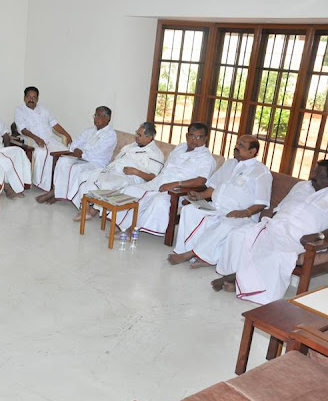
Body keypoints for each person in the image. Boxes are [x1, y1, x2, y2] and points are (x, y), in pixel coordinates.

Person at [212, 160, 328, 304]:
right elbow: (280, 208)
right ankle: (237, 276)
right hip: (275, 225)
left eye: (319, 173)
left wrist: (319, 236)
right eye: (314, 171)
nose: (313, 175)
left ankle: (243, 284)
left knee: (275, 253)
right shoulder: (302, 186)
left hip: (298, 237)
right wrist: (271, 222)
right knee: (240, 235)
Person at [168, 135, 272, 268]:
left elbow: (262, 202)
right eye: (237, 143)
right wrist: (200, 195)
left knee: (225, 225)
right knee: (189, 211)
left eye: (241, 145)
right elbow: (213, 186)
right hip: (216, 207)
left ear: (252, 151)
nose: (236, 147)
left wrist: (244, 212)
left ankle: (191, 254)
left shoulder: (261, 172)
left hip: (241, 215)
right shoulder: (229, 163)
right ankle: (186, 250)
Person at [114, 122, 217, 235]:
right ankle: (121, 225)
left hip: (179, 191)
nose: (194, 140)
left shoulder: (206, 158)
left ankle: (132, 230)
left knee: (158, 200)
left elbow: (201, 181)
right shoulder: (180, 147)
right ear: (187, 136)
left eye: (199, 137)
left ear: (205, 139)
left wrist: (175, 184)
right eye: (192, 136)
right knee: (131, 190)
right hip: (159, 181)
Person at [71, 122, 164, 221]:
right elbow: (118, 159)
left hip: (132, 177)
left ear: (149, 138)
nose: (136, 136)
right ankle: (86, 209)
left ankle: (93, 209)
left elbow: (153, 177)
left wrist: (135, 171)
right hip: (116, 171)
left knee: (106, 183)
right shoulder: (131, 146)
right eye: (137, 133)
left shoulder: (155, 153)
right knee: (86, 175)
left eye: (139, 135)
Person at [35, 106, 118, 205]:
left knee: (75, 168)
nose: (96, 118)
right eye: (95, 115)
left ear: (107, 118)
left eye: (99, 115)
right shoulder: (89, 130)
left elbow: (98, 152)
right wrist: (75, 149)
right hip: (81, 157)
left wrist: (82, 153)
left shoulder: (110, 134)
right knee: (62, 161)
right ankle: (57, 192)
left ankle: (56, 194)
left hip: (96, 163)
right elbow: (75, 143)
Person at [14, 86, 72, 191]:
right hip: (33, 141)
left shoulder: (44, 109)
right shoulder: (20, 110)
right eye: (29, 97)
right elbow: (23, 129)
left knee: (65, 153)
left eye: (34, 97)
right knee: (42, 154)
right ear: (24, 98)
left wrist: (67, 134)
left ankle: (60, 184)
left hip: (50, 139)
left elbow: (54, 124)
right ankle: (43, 184)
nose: (31, 99)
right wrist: (36, 138)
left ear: (37, 99)